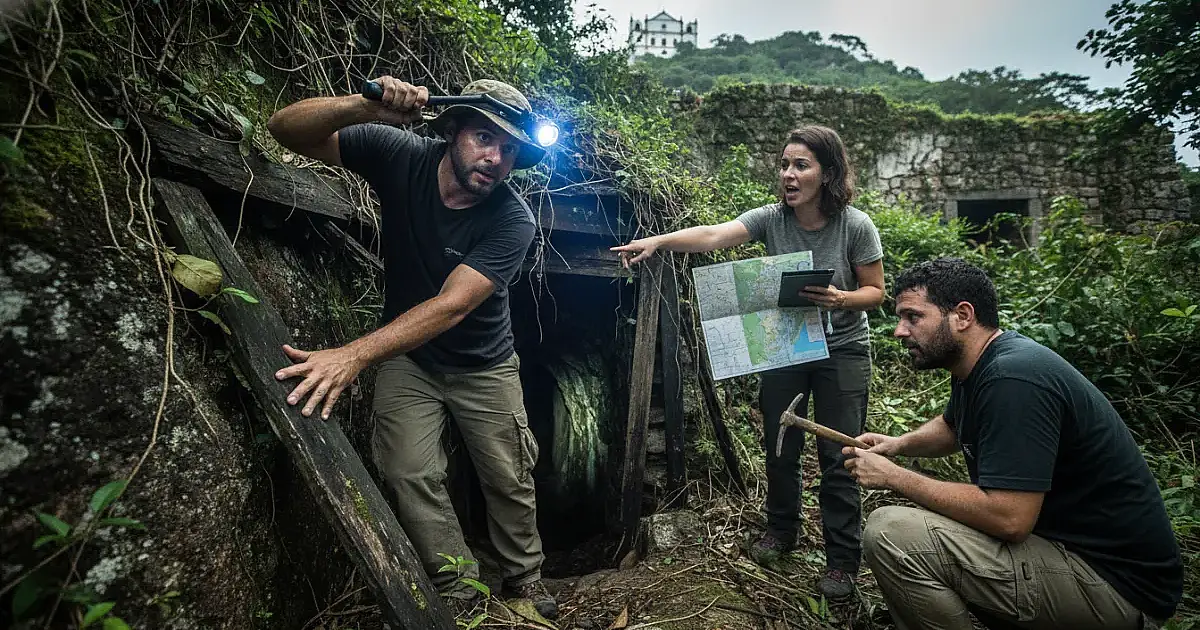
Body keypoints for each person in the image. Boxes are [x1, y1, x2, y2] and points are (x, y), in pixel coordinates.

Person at [264, 76, 557, 619]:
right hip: (410, 359)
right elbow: (285, 129)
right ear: (451, 132)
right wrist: (363, 105)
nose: (496, 157)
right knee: (407, 471)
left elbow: (452, 305)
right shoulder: (398, 152)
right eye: (484, 138)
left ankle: (524, 577)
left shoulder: (514, 219)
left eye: (510, 149)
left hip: (484, 364)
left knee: (508, 475)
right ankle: (461, 588)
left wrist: (351, 354)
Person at [612, 125, 885, 599]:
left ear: (828, 172)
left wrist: (841, 298)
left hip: (842, 351)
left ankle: (842, 561)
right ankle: (782, 531)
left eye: (801, 165)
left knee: (839, 455)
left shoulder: (856, 225)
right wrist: (658, 240)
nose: (789, 174)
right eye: (784, 165)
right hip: (788, 345)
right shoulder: (771, 218)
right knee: (780, 445)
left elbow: (876, 292)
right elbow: (715, 235)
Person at [843, 257, 1183, 629]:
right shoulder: (981, 361)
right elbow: (953, 426)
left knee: (892, 533)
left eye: (913, 317)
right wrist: (898, 445)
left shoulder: (1013, 380)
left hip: (1117, 590)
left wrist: (895, 477)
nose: (899, 331)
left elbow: (1009, 519)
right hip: (1068, 556)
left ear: (962, 315)